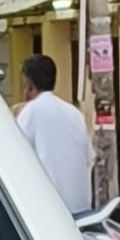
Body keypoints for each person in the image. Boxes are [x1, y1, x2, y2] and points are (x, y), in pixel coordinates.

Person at [17, 55, 93, 215]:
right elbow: (88, 157)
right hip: (82, 208)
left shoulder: (30, 112)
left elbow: (17, 158)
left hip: (50, 212)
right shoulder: (75, 113)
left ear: (29, 86)